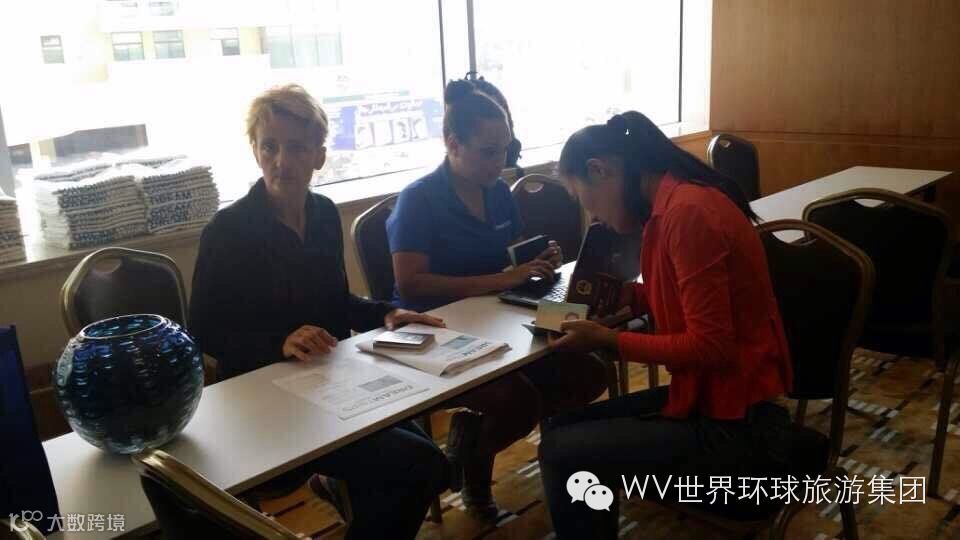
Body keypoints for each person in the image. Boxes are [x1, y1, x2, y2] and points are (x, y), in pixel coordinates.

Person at [189, 84, 448, 539]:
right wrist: (279, 342)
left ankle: (345, 495)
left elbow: (336, 302)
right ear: (254, 150)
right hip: (264, 398)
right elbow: (204, 329)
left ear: (319, 156)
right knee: (418, 465)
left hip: (330, 383)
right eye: (269, 146)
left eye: (297, 148)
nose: (281, 161)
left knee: (427, 462)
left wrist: (386, 314)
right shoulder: (227, 231)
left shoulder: (326, 215)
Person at [537, 111, 793, 538]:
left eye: (588, 202)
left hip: (739, 429)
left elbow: (711, 346)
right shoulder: (672, 204)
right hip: (710, 399)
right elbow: (684, 299)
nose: (596, 219)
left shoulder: (688, 213)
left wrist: (610, 340)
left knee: (563, 452)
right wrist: (630, 296)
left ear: (600, 171)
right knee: (560, 429)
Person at [386, 78, 608, 521]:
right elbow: (411, 285)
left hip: (494, 316)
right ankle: (469, 465)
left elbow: (510, 254)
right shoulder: (419, 200)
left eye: (505, 149)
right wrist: (501, 278)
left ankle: (481, 443)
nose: (500, 162)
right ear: (453, 144)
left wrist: (538, 259)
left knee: (587, 372)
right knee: (517, 400)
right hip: (432, 330)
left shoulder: (498, 193)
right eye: (488, 152)